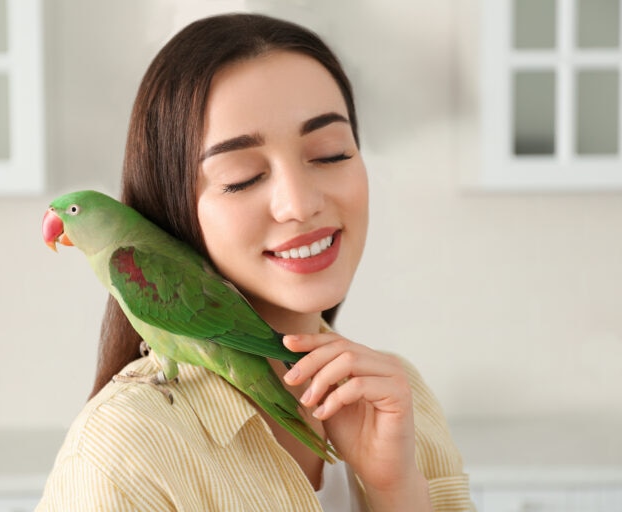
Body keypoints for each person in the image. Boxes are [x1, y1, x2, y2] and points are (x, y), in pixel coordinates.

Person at [37, 13, 475, 511]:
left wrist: (395, 490)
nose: (299, 204)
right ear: (173, 204)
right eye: (242, 176)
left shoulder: (399, 394)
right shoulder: (120, 458)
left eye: (330, 154)